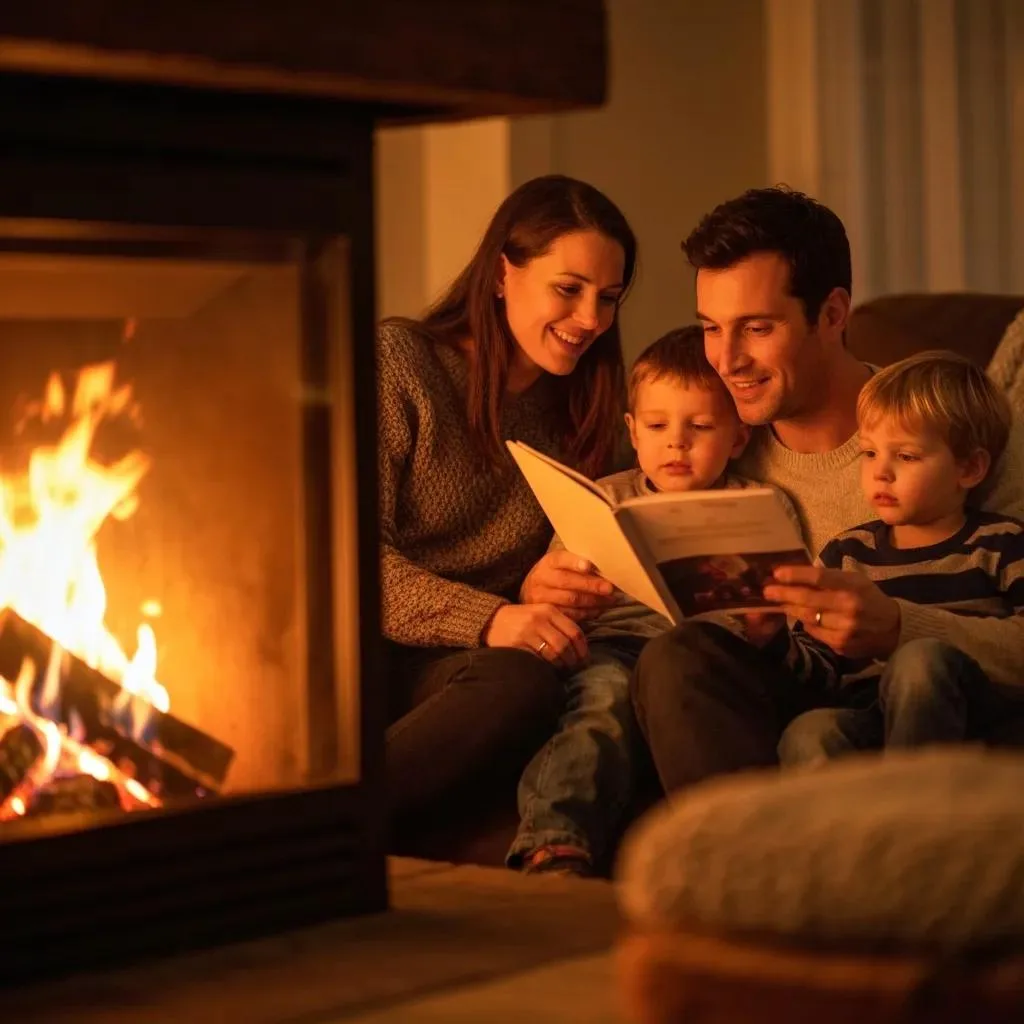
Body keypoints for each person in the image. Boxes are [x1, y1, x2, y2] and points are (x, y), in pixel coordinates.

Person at [628, 186, 1024, 795]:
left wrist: (901, 626)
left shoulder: (951, 430)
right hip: (792, 711)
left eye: (756, 328)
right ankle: (746, 874)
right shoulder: (710, 442)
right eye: (711, 328)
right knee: (677, 656)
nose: (726, 361)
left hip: (944, 715)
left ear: (833, 315)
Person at [378, 175, 636, 827]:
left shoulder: (588, 408)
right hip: (381, 652)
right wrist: (492, 618)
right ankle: (326, 838)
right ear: (501, 275)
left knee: (542, 681)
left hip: (486, 662)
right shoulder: (403, 364)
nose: (591, 322)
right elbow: (345, 562)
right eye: (568, 289)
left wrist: (548, 586)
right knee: (517, 678)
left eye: (608, 299)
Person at [508, 326, 756, 875]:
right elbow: (561, 585)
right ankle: (554, 836)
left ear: (738, 438)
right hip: (615, 645)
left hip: (704, 655)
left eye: (700, 426)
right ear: (633, 431)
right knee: (600, 703)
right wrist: (568, 591)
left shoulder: (757, 506)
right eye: (657, 425)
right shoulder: (606, 497)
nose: (677, 442)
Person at [767, 351, 1024, 763]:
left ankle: (913, 818)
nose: (880, 472)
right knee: (809, 732)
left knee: (920, 661)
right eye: (869, 453)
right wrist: (771, 639)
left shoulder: (1001, 543)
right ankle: (847, 826)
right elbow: (818, 671)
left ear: (970, 469)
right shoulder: (847, 553)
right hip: (870, 717)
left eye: (905, 456)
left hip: (969, 721)